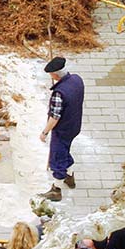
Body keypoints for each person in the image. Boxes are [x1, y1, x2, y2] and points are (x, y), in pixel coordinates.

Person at [39, 56, 84, 201]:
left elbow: (55, 117)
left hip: (62, 129)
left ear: (56, 74)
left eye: (51, 74)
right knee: (65, 150)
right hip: (74, 126)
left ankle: (56, 189)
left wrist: (44, 132)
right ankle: (70, 177)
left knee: (57, 157)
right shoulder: (77, 80)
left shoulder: (59, 93)